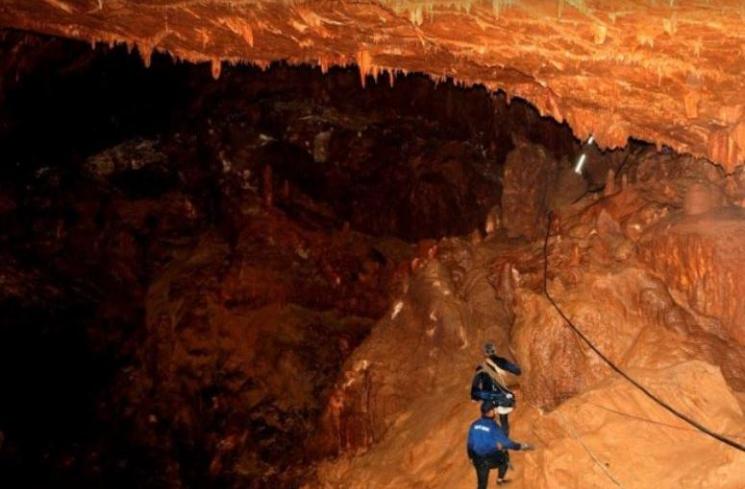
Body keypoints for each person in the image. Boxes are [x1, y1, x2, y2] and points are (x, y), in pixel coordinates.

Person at [467, 400, 533, 487]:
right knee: (505, 459)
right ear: (490, 412)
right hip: (490, 458)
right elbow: (507, 443)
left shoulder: (474, 424)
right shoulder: (493, 426)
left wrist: (471, 457)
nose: (495, 411)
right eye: (494, 409)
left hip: (477, 460)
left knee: (482, 485)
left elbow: (470, 444)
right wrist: (520, 446)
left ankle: (493, 481)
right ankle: (500, 480)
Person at [470, 343, 521, 436]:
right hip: (502, 397)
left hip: (488, 398)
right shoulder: (501, 361)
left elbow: (475, 383)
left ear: (485, 353)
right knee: (503, 419)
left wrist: (474, 397)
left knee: (487, 415)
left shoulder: (481, 367)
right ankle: (504, 440)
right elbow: (517, 371)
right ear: (494, 351)